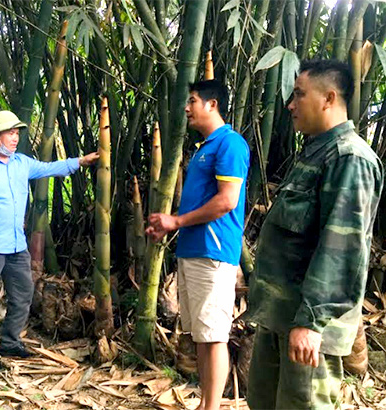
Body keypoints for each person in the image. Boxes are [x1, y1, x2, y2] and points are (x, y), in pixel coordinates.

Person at [247, 60, 383, 409]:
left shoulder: (349, 158)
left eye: (299, 94)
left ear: (328, 98)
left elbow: (343, 249)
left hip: (308, 326)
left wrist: (311, 322)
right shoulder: (316, 151)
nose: (290, 105)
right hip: (282, 315)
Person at [0, 110, 99, 372]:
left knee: (23, 293)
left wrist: (80, 161)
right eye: (9, 133)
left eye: (16, 133)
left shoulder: (21, 163)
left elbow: (49, 168)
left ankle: (10, 341)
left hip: (16, 244)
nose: (15, 138)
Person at [146, 80, 249, 410]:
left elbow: (227, 201)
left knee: (214, 335)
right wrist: (171, 224)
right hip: (194, 250)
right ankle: (207, 403)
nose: (187, 108)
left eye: (192, 101)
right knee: (201, 336)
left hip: (214, 252)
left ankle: (212, 406)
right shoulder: (205, 147)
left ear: (212, 104)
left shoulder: (230, 144)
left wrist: (175, 221)